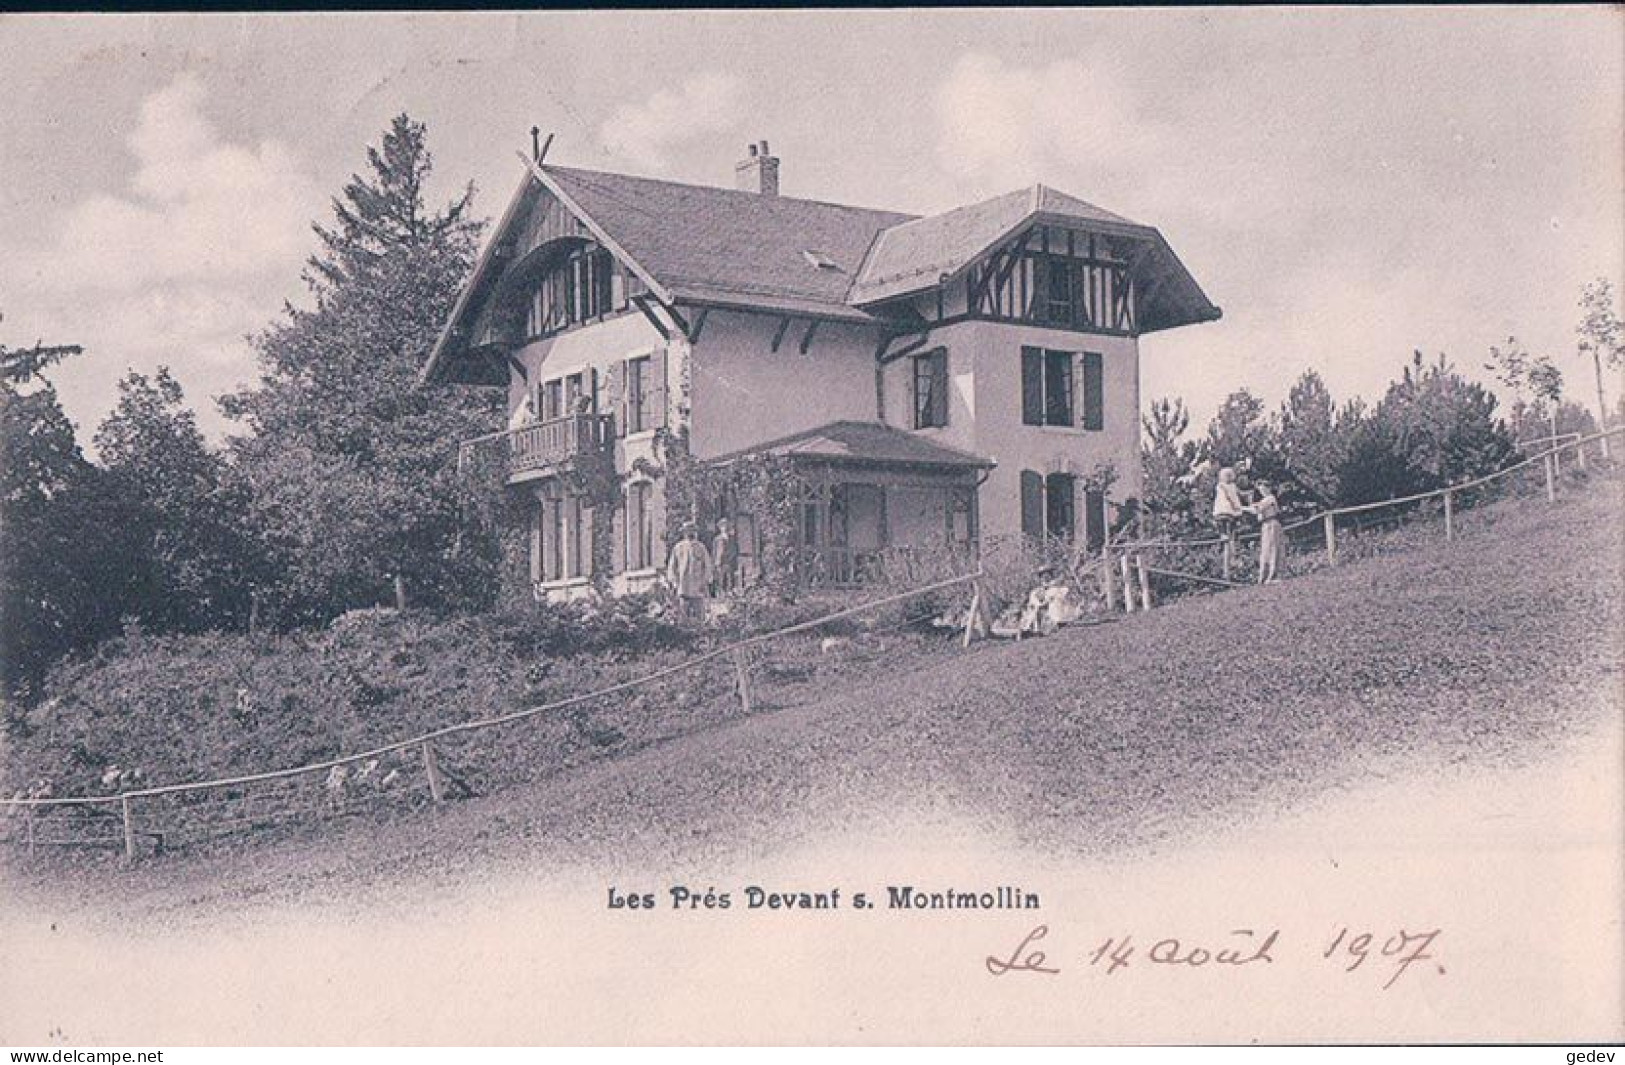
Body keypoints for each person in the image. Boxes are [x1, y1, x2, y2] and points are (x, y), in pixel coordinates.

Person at [665, 523, 714, 622]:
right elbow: (672, 566)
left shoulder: (701, 547)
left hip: (697, 588)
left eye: (692, 531)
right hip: (683, 587)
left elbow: (707, 566)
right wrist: (674, 582)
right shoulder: (678, 547)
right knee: (682, 616)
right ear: (684, 533)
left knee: (700, 617)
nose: (689, 533)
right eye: (687, 531)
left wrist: (704, 581)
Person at [1247, 480, 1286, 584]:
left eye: (1264, 489)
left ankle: (1273, 575)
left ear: (1268, 488)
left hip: (1272, 524)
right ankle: (1264, 576)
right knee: (1266, 550)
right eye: (1260, 490)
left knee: (1273, 548)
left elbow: (1258, 509)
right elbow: (1255, 508)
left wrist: (1242, 508)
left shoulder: (1270, 498)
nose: (1262, 492)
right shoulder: (1264, 500)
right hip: (1265, 525)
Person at [1212, 466, 1245, 580]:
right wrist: (1236, 506)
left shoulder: (1233, 486)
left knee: (1232, 536)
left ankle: (1233, 560)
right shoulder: (1221, 486)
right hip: (1225, 510)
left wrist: (1246, 495)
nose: (1228, 478)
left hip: (1231, 512)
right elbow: (1229, 497)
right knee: (1224, 522)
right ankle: (1223, 534)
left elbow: (1239, 493)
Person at [711, 517, 739, 595]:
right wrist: (714, 563)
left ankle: (730, 594)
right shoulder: (717, 539)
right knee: (720, 579)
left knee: (730, 579)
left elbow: (735, 549)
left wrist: (732, 558)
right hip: (720, 562)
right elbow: (714, 551)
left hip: (730, 561)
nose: (724, 528)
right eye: (722, 526)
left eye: (726, 526)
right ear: (720, 528)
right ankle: (721, 594)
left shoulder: (732, 538)